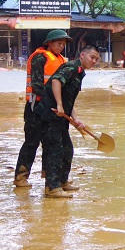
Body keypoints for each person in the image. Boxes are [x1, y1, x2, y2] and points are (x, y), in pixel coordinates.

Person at [35, 45, 100, 198]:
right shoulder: (71, 67)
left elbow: (68, 100)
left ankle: (62, 181)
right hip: (50, 114)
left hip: (60, 116)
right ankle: (52, 187)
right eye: (92, 57)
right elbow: (56, 81)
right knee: (55, 150)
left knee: (67, 149)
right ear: (82, 55)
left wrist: (76, 119)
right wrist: (58, 104)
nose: (94, 61)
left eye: (97, 59)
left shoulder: (79, 72)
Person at [14, 29, 71, 188]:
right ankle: (21, 177)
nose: (61, 46)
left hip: (52, 107)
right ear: (49, 43)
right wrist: (52, 103)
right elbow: (37, 85)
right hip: (36, 107)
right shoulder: (39, 58)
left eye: (63, 44)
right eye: (59, 43)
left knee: (52, 143)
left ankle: (50, 178)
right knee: (32, 142)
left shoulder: (61, 60)